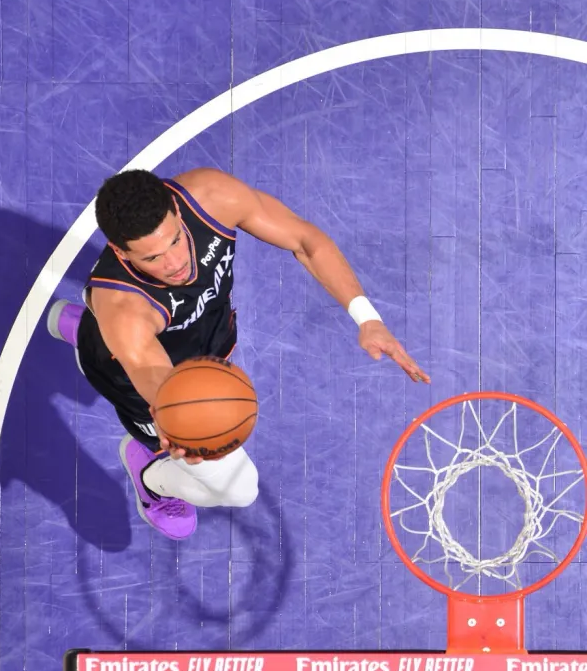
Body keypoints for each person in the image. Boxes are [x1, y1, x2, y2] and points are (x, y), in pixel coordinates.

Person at [48, 168, 430, 540]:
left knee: (128, 327)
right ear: (120, 251)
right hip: (139, 372)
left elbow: (304, 241)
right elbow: (167, 392)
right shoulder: (125, 312)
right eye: (152, 259)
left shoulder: (211, 197)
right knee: (239, 488)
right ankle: (151, 479)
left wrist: (367, 319)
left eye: (175, 240)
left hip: (202, 339)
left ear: (177, 211)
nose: (175, 263)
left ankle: (86, 326)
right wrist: (185, 431)